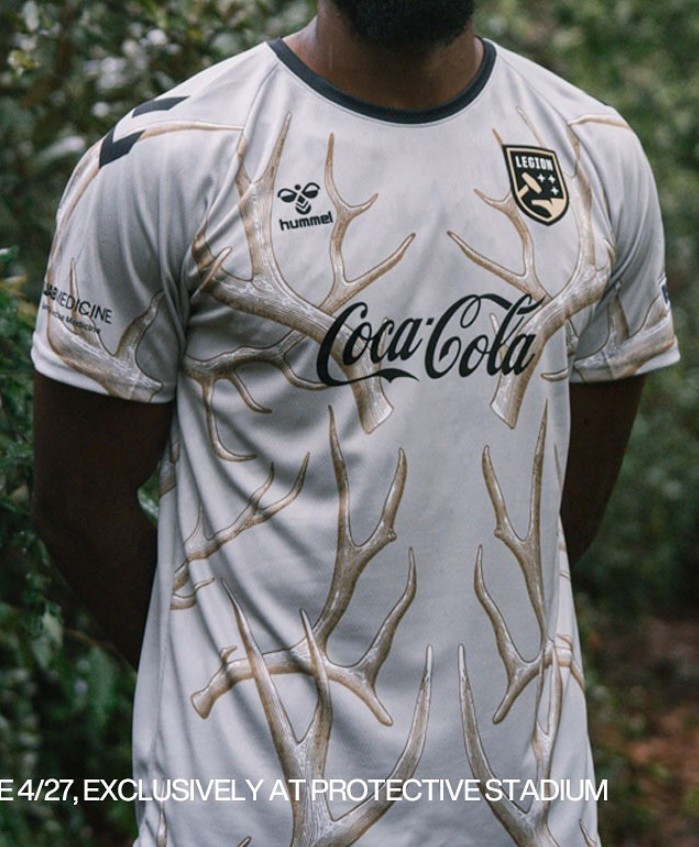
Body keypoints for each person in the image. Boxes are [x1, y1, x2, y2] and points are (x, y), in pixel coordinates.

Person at [31, 1, 680, 845]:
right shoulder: (165, 158)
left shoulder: (592, 150)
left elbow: (562, 508)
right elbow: (78, 504)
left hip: (524, 818)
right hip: (249, 817)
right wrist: (221, 684)